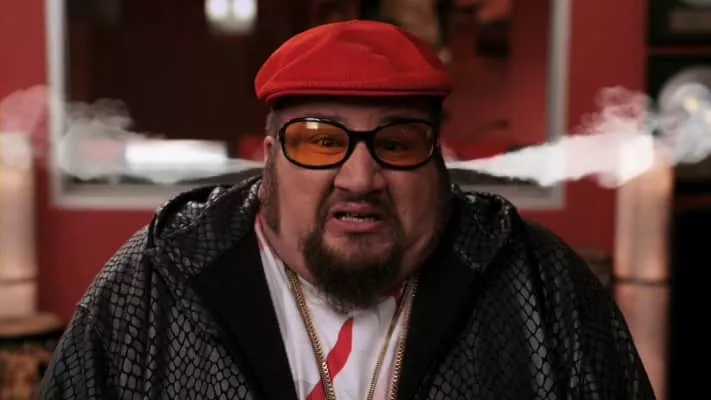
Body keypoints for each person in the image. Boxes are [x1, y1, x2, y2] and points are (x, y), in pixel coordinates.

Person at [40, 20, 655, 399]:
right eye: (320, 141)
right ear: (269, 158)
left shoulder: (542, 284)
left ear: (438, 162)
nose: (360, 178)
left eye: (398, 142)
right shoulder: (151, 283)